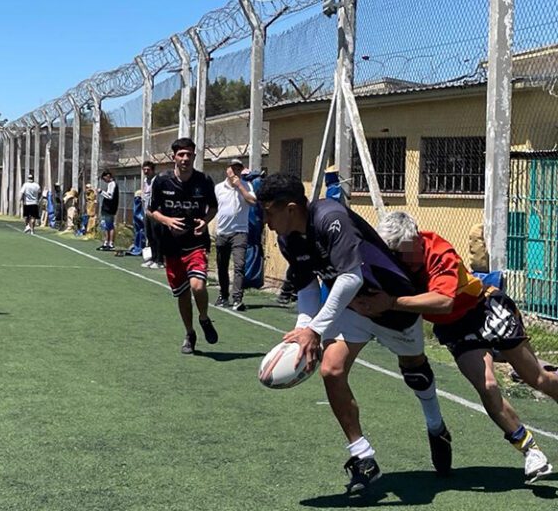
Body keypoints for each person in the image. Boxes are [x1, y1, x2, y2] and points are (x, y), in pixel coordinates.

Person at [255, 173, 451, 493]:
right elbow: (307, 286)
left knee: (415, 370)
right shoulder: (288, 237)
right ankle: (363, 457)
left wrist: (315, 329)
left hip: (391, 305)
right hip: (353, 308)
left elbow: (350, 277)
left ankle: (436, 425)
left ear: (290, 208)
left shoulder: (331, 218)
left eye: (268, 213)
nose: (265, 221)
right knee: (331, 370)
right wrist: (304, 327)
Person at [352, 211, 558, 484]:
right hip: (455, 328)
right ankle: (530, 450)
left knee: (537, 377)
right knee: (487, 385)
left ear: (417, 239)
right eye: (395, 254)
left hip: (483, 308)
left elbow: (443, 302)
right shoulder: (392, 260)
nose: (402, 260)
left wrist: (390, 303)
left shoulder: (439, 250)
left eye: (404, 252)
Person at [148, 137, 219, 354]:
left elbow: (213, 208)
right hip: (172, 247)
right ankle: (190, 333)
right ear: (174, 157)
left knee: (198, 286)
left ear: (194, 156)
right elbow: (151, 211)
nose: (185, 158)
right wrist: (167, 221)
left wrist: (204, 222)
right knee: (183, 293)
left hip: (196, 243)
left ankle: (204, 318)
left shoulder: (204, 181)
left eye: (189, 154)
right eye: (181, 154)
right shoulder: (162, 181)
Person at [214, 159, 256, 311]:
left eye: (238, 169)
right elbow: (213, 208)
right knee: (222, 266)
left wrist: (240, 186)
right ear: (228, 170)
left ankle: (237, 298)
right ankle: (223, 295)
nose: (235, 172)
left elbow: (252, 201)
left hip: (240, 232)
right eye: (233, 169)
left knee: (239, 265)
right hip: (222, 232)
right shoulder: (218, 188)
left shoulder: (247, 185)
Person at [141, 161, 164, 269]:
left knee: (157, 237)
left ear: (153, 170)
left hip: (155, 212)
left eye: (148, 170)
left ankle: (159, 260)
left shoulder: (157, 180)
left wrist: (155, 211)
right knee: (149, 236)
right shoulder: (145, 181)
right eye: (144, 169)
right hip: (147, 212)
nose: (146, 172)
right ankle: (152, 258)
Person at [97, 171, 119, 251]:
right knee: (107, 225)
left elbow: (110, 196)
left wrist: (101, 192)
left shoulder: (112, 184)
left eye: (104, 178)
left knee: (108, 225)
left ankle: (109, 243)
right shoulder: (110, 184)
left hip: (109, 208)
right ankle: (107, 242)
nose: (104, 180)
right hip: (108, 207)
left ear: (108, 176)